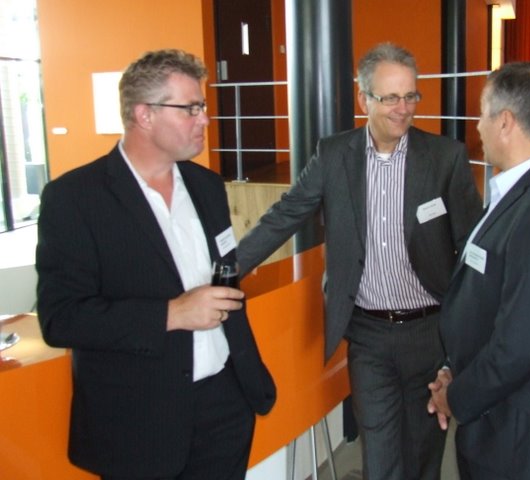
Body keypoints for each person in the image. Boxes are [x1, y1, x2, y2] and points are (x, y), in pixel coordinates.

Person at [237, 42, 482, 480]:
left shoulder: (445, 157)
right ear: (363, 98)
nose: (403, 109)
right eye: (390, 98)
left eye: (411, 96)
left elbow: (468, 248)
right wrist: (229, 268)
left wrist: (463, 339)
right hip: (368, 334)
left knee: (423, 456)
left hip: (430, 332)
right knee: (380, 458)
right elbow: (288, 214)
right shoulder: (334, 155)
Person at [36, 49, 275, 480]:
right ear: (144, 115)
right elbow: (62, 319)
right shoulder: (74, 198)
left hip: (226, 403)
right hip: (139, 422)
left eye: (202, 106)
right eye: (190, 108)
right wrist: (172, 314)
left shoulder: (206, 185)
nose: (205, 119)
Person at [427, 62, 530, 480]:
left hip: (519, 439)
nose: (477, 126)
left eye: (482, 114)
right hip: (496, 422)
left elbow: (521, 346)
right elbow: (490, 300)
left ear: (505, 122)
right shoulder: (521, 191)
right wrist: (453, 368)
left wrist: (455, 397)